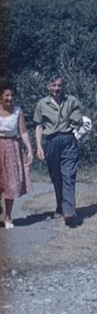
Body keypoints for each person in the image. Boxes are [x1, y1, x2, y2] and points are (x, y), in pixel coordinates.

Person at [33, 75, 83, 222]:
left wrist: (76, 120)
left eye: (59, 86)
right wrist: (39, 147)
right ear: (48, 87)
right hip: (51, 142)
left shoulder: (71, 100)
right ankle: (60, 207)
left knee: (68, 174)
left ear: (63, 87)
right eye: (54, 85)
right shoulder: (42, 104)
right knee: (57, 177)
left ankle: (69, 211)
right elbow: (39, 126)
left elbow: (78, 117)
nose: (57, 89)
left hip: (68, 140)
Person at [0, 81, 33, 229]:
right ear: (1, 97)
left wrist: (30, 149)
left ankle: (8, 217)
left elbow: (24, 132)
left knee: (11, 184)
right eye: (6, 95)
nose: (9, 98)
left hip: (12, 148)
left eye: (12, 95)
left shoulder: (18, 111)